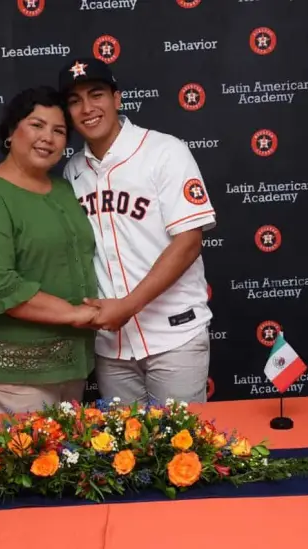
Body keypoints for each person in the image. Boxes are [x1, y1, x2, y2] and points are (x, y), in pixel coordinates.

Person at [56, 58, 217, 406]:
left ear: (117, 99)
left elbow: (189, 243)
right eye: (74, 101)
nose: (87, 108)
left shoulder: (165, 151)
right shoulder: (72, 171)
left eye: (96, 94)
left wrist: (128, 305)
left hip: (175, 337)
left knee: (184, 454)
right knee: (126, 456)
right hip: (111, 346)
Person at [0, 86, 100, 415]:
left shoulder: (64, 189)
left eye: (59, 130)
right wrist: (77, 313)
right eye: (37, 125)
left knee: (67, 463)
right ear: (11, 132)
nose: (47, 138)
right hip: (16, 371)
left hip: (71, 362)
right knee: (28, 465)